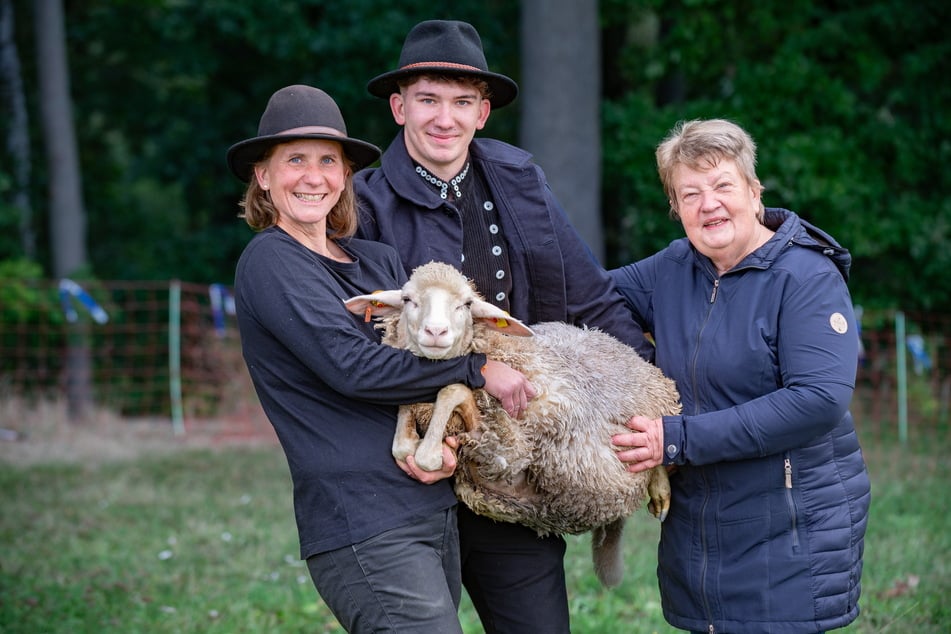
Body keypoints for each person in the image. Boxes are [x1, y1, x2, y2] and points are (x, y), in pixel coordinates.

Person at [354, 19, 653, 633]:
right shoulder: (361, 204)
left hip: (509, 468)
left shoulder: (520, 183)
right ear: (398, 107)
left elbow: (592, 300)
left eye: (462, 101)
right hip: (408, 472)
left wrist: (655, 404)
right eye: (428, 99)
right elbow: (354, 346)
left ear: (483, 112)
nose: (445, 118)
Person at [227, 84, 535, 633]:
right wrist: (475, 368)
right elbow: (353, 367)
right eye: (293, 159)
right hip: (362, 521)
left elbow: (416, 361)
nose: (314, 176)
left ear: (345, 175)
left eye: (328, 160)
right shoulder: (271, 262)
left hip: (430, 504)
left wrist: (448, 433)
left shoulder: (377, 262)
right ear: (263, 175)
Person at [610, 118, 871, 634]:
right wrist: (636, 358)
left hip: (791, 529)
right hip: (700, 530)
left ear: (755, 193)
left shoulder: (806, 277)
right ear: (677, 209)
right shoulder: (674, 267)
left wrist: (676, 439)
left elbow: (818, 399)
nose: (708, 204)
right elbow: (593, 297)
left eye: (723, 185)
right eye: (690, 193)